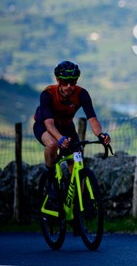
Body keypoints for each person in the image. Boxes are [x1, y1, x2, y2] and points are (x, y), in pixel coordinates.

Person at [33, 61, 111, 207]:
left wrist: (100, 134)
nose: (69, 85)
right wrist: (60, 138)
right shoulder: (48, 94)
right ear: (58, 80)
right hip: (44, 126)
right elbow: (49, 124)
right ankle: (51, 179)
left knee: (77, 163)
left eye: (73, 81)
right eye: (65, 82)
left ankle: (76, 208)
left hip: (67, 127)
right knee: (52, 144)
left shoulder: (82, 94)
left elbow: (92, 119)